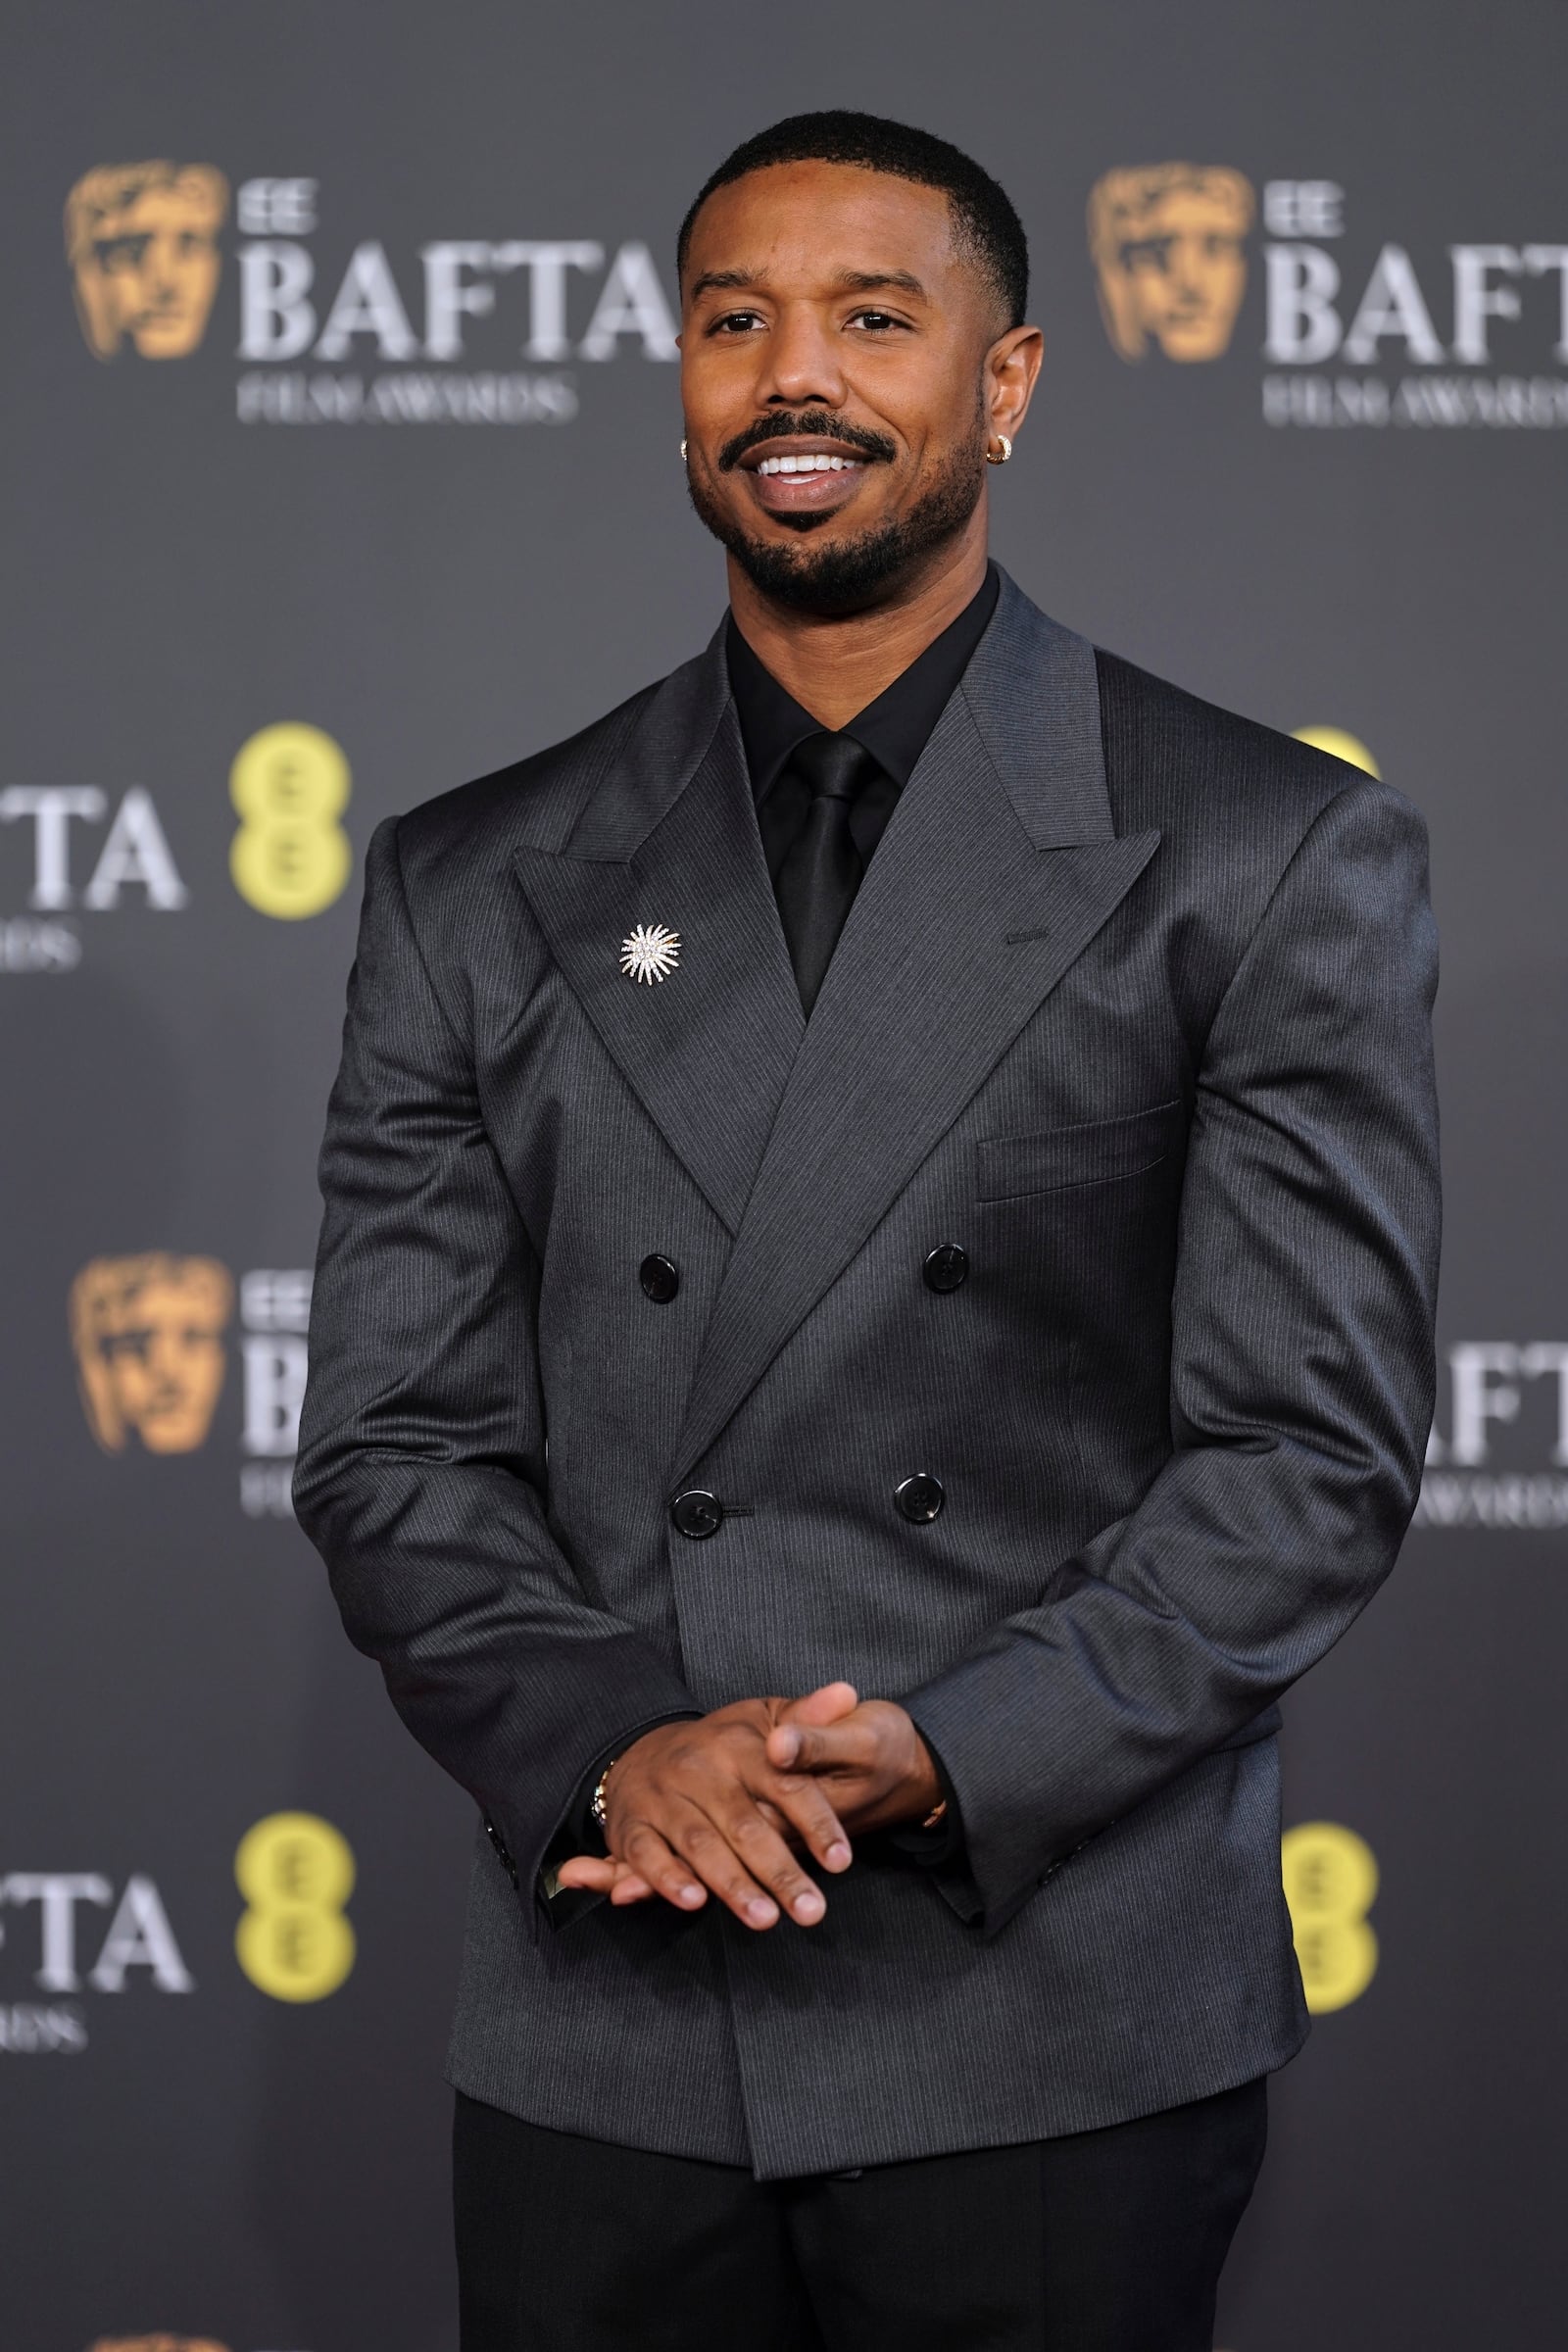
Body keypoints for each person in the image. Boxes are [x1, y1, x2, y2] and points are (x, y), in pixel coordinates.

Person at [293, 110, 1441, 2351]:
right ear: (681, 379)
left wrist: (948, 1749)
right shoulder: (473, 875)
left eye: (868, 318)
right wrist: (625, 1748)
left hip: (1043, 2005)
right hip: (607, 1993)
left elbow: (1303, 1458)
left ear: (1001, 386)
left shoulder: (1258, 850)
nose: (789, 375)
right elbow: (393, 1450)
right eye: (734, 322)